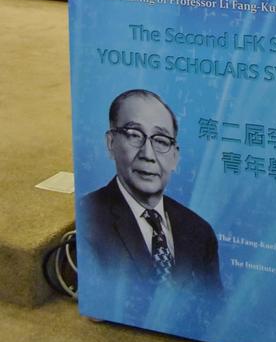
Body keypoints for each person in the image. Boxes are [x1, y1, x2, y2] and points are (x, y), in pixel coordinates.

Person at [78, 89, 221, 293]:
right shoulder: (89, 218)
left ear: (175, 157)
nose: (148, 154)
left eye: (161, 141)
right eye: (134, 135)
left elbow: (213, 304)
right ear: (111, 143)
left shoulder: (200, 232)